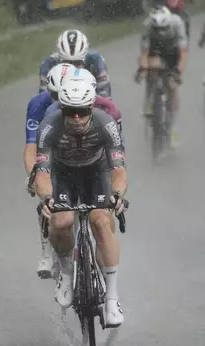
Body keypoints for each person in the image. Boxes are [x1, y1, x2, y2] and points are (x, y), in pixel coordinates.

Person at [33, 78, 128, 328]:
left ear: (91, 108)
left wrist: (117, 194)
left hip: (97, 173)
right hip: (63, 176)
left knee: (101, 222)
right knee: (61, 221)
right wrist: (46, 197)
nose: (76, 118)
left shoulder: (106, 124)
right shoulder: (48, 126)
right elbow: (42, 173)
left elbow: (118, 168)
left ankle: (112, 298)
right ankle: (65, 273)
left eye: (82, 112)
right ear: (61, 109)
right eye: (70, 112)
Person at [24, 63, 78, 279]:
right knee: (48, 196)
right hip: (50, 152)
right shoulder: (38, 105)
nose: (59, 101)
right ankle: (47, 250)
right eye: (55, 95)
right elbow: (31, 148)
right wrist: (34, 177)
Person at [135, 5, 187, 144]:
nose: (161, 32)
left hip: (172, 52)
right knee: (150, 69)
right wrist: (142, 69)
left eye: (163, 28)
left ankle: (173, 123)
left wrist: (178, 72)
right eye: (157, 29)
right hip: (155, 50)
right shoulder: (147, 25)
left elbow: (182, 53)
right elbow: (144, 53)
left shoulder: (177, 23)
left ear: (168, 23)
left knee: (172, 85)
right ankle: (149, 100)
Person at [38, 29, 112, 98]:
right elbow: (43, 97)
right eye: (67, 63)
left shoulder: (96, 60)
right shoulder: (49, 63)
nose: (73, 68)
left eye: (77, 63)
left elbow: (105, 95)